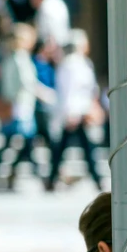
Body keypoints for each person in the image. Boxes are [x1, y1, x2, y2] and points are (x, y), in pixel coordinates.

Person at [0, 24, 50, 193]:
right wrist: (43, 93)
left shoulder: (9, 58)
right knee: (25, 142)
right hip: (21, 106)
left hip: (14, 106)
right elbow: (27, 83)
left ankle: (4, 175)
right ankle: (41, 176)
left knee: (15, 143)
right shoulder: (21, 58)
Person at [46, 30, 103, 192]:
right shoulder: (70, 65)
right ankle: (95, 178)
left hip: (82, 112)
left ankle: (52, 178)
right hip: (74, 113)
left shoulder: (82, 63)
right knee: (83, 148)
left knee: (75, 148)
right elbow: (69, 91)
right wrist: (71, 113)